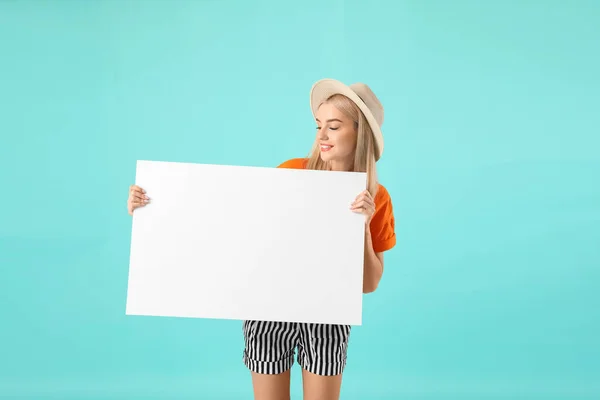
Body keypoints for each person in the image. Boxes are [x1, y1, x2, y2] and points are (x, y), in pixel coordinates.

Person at [126, 78, 396, 400]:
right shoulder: (290, 173)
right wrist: (152, 209)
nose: (321, 136)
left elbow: (368, 284)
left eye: (334, 127)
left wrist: (362, 227)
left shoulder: (377, 198)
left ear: (360, 132)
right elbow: (227, 221)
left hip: (328, 314)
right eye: (318, 126)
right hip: (268, 307)